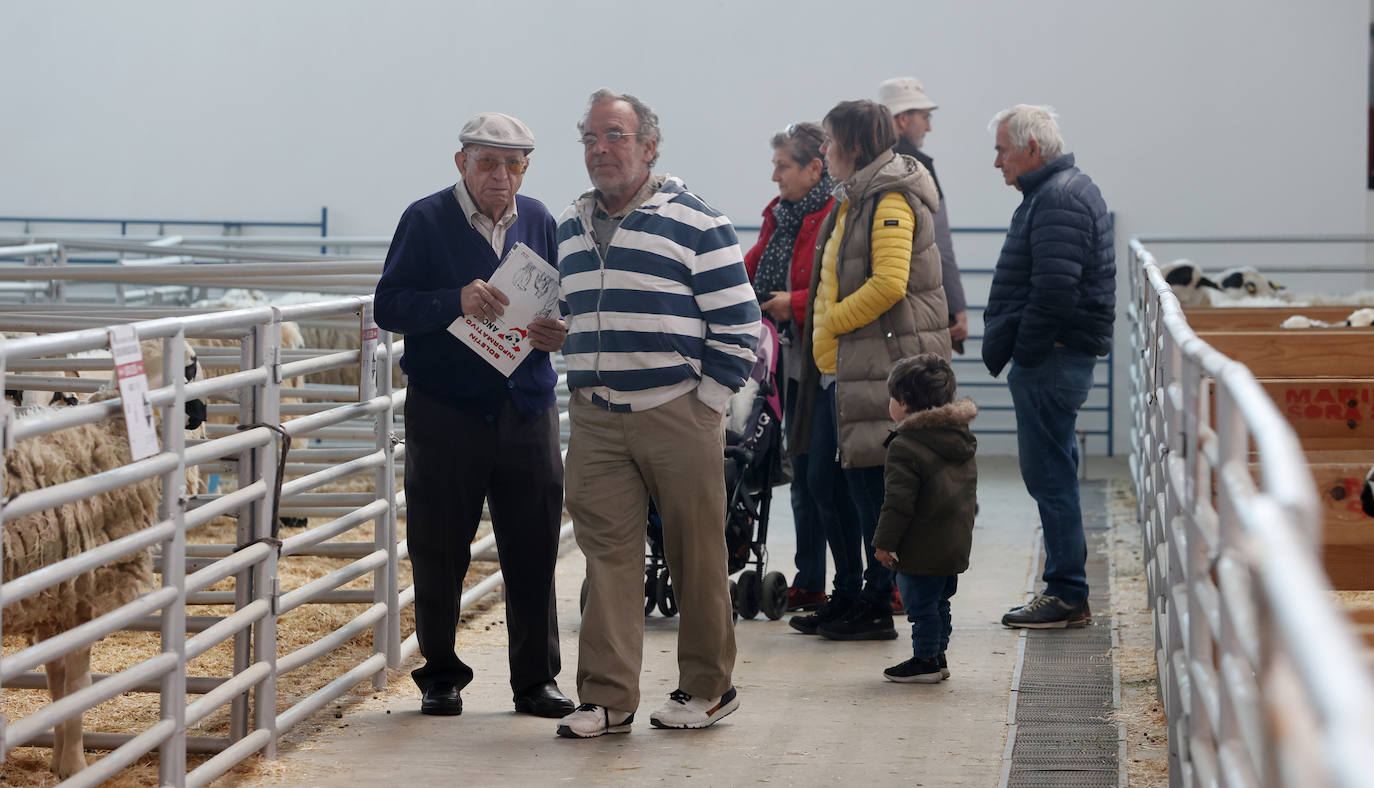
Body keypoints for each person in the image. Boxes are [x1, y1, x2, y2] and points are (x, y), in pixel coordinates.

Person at [554, 89, 761, 738]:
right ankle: (607, 698)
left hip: (677, 411)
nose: (600, 149)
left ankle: (709, 689)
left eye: (614, 136)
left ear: (648, 145)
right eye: (590, 138)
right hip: (595, 413)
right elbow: (573, 312)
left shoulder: (696, 220)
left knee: (694, 553)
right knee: (607, 554)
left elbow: (740, 323)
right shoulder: (570, 224)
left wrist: (708, 402)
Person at [373, 112, 575, 719]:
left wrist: (556, 332)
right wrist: (451, 301)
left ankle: (536, 679)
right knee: (440, 545)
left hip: (526, 407)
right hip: (446, 411)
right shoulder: (425, 219)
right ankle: (440, 673)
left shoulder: (540, 219)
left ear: (526, 170)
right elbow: (389, 305)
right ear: (461, 163)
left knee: (535, 544)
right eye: (488, 161)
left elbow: (561, 297)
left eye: (513, 164)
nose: (501, 176)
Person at [787, 99, 951, 642]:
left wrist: (830, 322)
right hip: (843, 371)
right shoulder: (852, 198)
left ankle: (876, 605)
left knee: (867, 493)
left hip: (873, 369)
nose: (824, 151)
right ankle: (849, 594)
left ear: (853, 146)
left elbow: (889, 283)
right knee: (825, 485)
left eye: (830, 141)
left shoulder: (889, 199)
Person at [983, 104, 1115, 628]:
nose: (996, 162)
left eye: (1002, 150)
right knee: (1053, 471)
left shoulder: (1057, 199)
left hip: (1052, 358)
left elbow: (1055, 291)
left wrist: (1029, 352)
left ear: (1031, 149)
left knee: (1050, 475)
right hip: (1056, 355)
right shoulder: (1060, 192)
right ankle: (1065, 588)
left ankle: (1065, 593)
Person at [741, 121, 836, 613]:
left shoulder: (832, 213)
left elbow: (837, 284)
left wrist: (792, 303)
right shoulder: (779, 216)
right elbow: (748, 267)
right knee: (802, 473)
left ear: (814, 167)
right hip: (784, 363)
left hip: (821, 361)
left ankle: (868, 583)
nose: (775, 175)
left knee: (825, 475)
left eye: (783, 166)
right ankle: (810, 579)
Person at [871, 353, 977, 683]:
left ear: (903, 402)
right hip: (953, 542)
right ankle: (939, 655)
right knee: (939, 602)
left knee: (920, 607)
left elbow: (898, 504)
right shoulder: (959, 438)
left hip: (921, 546)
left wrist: (884, 543)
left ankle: (926, 660)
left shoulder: (906, 446)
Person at [879, 77, 969, 353]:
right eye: (925, 117)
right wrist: (958, 308)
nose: (929, 126)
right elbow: (940, 245)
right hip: (918, 311)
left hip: (872, 314)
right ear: (903, 119)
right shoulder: (920, 168)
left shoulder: (864, 167)